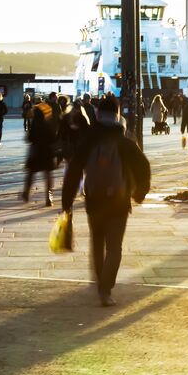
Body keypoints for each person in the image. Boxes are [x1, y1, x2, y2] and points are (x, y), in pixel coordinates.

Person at [62, 96, 151, 306]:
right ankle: (106, 288)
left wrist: (67, 202)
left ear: (98, 115)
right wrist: (140, 194)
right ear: (118, 115)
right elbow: (143, 168)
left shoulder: (89, 141)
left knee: (97, 242)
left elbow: (73, 171)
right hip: (119, 203)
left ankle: (99, 284)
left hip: (94, 200)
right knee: (114, 247)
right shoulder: (125, 141)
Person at [23, 98, 58, 205]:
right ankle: (48, 196)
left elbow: (29, 138)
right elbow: (53, 138)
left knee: (31, 173)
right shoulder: (49, 124)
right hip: (47, 152)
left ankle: (26, 193)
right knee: (48, 174)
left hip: (36, 151)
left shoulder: (34, 124)